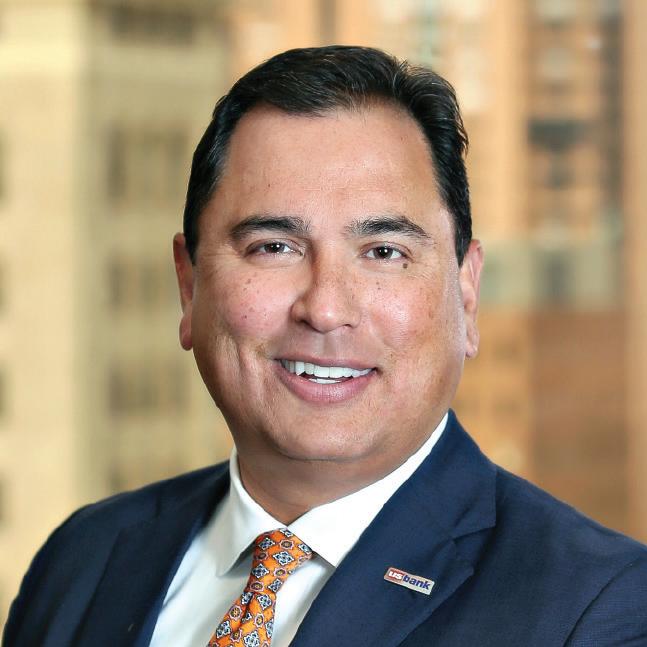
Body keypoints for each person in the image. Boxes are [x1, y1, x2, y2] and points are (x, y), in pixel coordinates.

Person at [4, 45, 647, 647]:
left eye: (384, 252)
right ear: (189, 285)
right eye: (273, 247)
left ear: (466, 291)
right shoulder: (84, 559)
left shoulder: (600, 609)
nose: (326, 308)